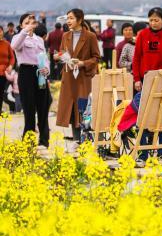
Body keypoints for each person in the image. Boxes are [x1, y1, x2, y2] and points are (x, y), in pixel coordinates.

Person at [132, 7, 162, 167]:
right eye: (151, 20)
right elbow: (137, 58)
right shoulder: (142, 35)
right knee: (143, 116)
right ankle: (143, 154)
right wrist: (137, 79)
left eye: (156, 20)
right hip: (145, 81)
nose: (153, 23)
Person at [55, 8, 101, 147]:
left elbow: (96, 58)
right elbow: (63, 53)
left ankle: (85, 139)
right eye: (67, 18)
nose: (68, 21)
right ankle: (76, 139)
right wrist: (58, 57)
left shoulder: (90, 36)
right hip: (69, 77)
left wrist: (83, 63)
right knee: (71, 108)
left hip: (83, 78)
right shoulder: (65, 36)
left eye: (71, 18)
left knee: (83, 107)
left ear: (80, 20)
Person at [11, 13, 51, 147]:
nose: (30, 23)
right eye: (26, 22)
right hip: (26, 73)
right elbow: (14, 46)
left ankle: (44, 142)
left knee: (43, 107)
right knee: (29, 109)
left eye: (31, 21)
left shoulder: (39, 40)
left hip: (40, 74)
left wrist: (47, 69)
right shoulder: (18, 37)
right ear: (21, 25)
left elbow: (44, 57)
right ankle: (28, 143)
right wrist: (25, 31)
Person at [0, 26, 16, 114]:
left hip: (4, 73)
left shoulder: (6, 44)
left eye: (0, 31)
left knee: (2, 92)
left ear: (2, 32)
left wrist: (10, 66)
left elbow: (12, 57)